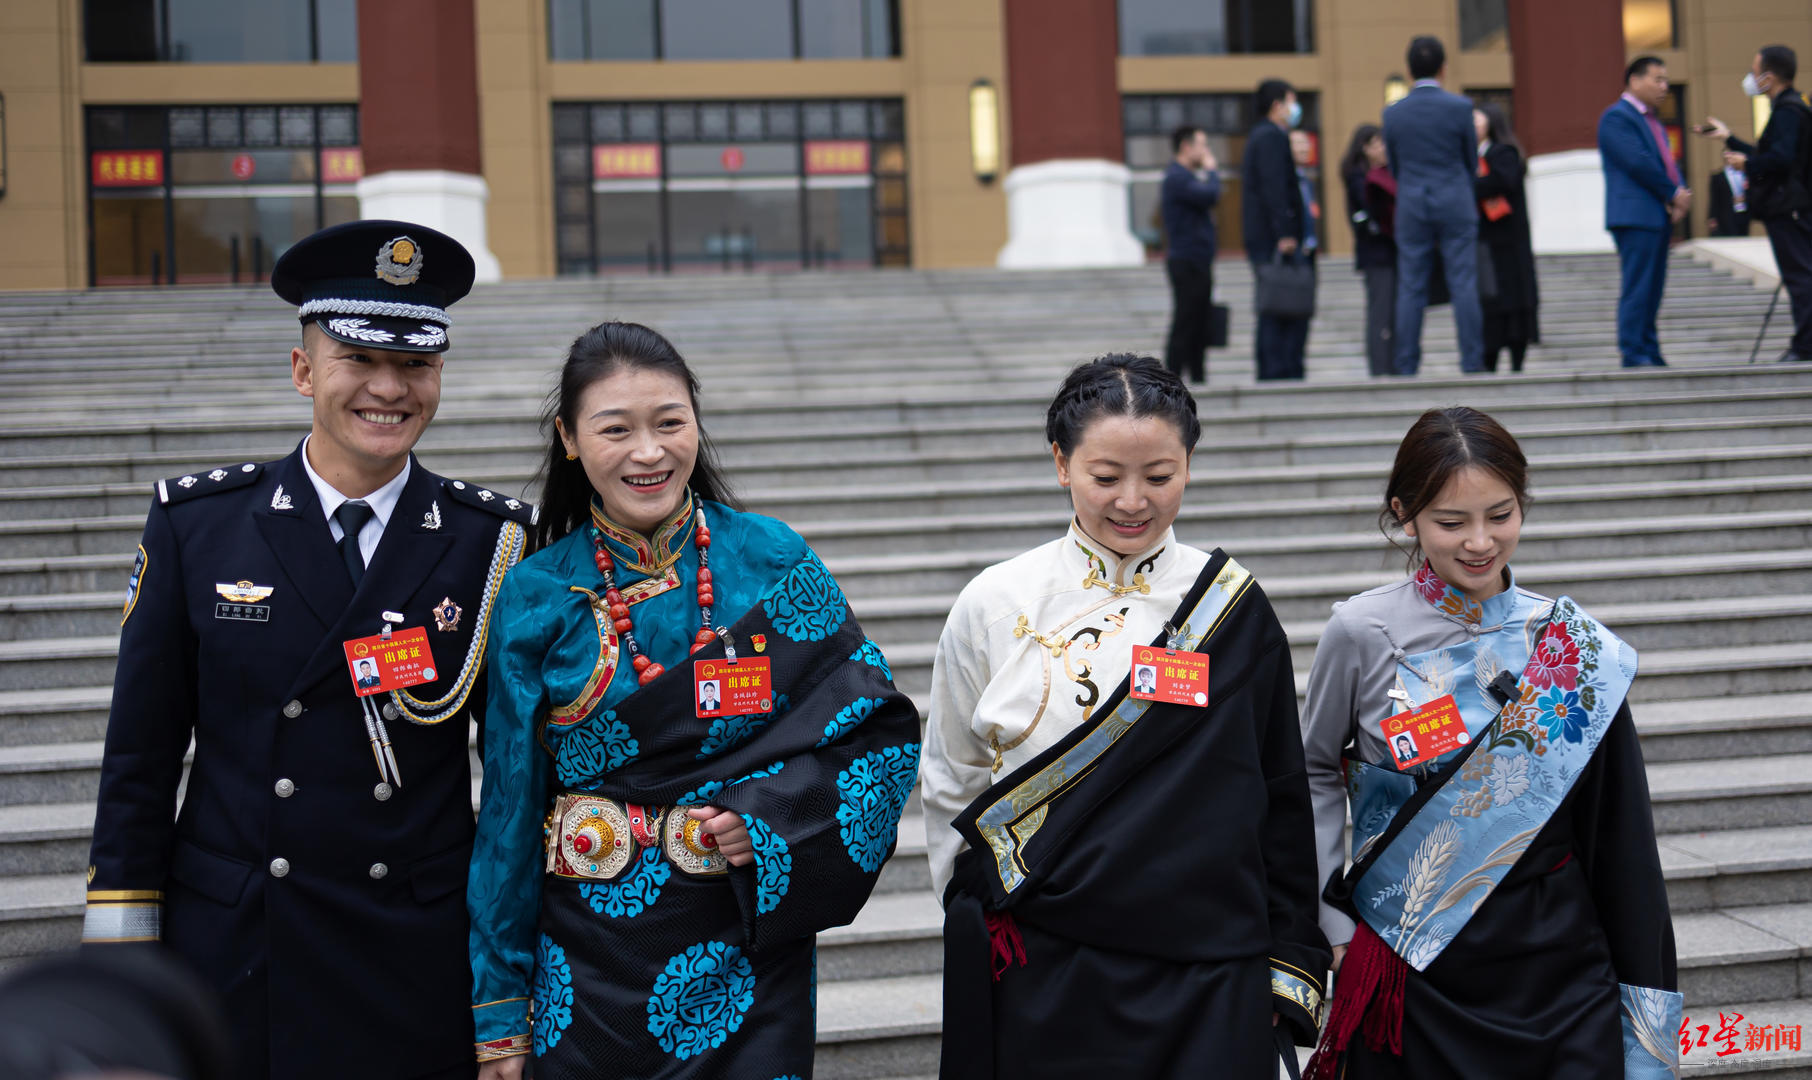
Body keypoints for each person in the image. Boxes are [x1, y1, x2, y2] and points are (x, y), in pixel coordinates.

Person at [83, 220, 537, 1080]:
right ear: (303, 372)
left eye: (415, 365)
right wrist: (120, 968)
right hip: (244, 941)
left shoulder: (491, 542)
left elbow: (517, 775)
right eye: (359, 362)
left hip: (412, 946)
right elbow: (140, 757)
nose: (388, 390)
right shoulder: (201, 526)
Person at [467, 321, 918, 1078]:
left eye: (670, 422)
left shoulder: (773, 558)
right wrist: (500, 1010)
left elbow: (875, 739)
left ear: (697, 424)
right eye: (616, 429)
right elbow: (511, 809)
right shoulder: (535, 593)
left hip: (746, 949)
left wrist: (773, 819)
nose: (649, 452)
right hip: (585, 968)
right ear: (570, 440)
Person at [925, 355, 1330, 1080]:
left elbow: (1279, 792)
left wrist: (1287, 959)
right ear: (1060, 462)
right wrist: (977, 911)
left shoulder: (1233, 609)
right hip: (1046, 963)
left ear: (1189, 464)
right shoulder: (995, 601)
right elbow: (952, 776)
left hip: (1209, 969)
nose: (1133, 501)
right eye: (1105, 477)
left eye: (1160, 476)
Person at [1299, 407, 1679, 1079]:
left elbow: (1622, 839)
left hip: (1557, 959)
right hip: (1410, 957)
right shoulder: (1360, 631)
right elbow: (1314, 772)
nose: (1479, 541)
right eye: (1451, 522)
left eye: (1500, 515)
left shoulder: (1571, 649)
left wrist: (1645, 1012)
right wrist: (1333, 926)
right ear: (1405, 514)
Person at [1700, 45, 1812, 362]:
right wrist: (1730, 139)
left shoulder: (1788, 110)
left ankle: (1805, 347)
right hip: (1789, 207)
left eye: (1754, 71)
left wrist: (1746, 165)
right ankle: (1804, 344)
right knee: (1800, 275)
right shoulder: (1790, 107)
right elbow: (1771, 154)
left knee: (1800, 277)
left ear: (1769, 77)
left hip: (1788, 208)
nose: (1751, 78)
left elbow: (1780, 159)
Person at [1384, 35, 1486, 375]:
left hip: (1412, 202)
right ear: (1444, 68)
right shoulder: (1460, 107)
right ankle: (1472, 362)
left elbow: (1395, 166)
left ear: (1409, 71)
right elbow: (1470, 160)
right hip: (1455, 198)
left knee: (1411, 286)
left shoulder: (1393, 113)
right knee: (1463, 283)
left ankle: (1406, 365)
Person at [1600, 55, 1690, 368]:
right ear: (1634, 80)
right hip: (1634, 215)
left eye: (1665, 80)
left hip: (1656, 214)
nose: (1664, 86)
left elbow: (1667, 161)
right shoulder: (1616, 117)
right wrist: (1673, 192)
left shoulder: (1652, 120)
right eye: (1658, 79)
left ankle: (1649, 349)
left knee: (1653, 288)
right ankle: (1633, 351)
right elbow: (1637, 162)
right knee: (1638, 285)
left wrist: (1680, 193)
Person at [1243, 79, 1312, 381]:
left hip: (1266, 236)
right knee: (1276, 306)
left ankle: (1280, 368)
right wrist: (1284, 231)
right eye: (1290, 102)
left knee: (1277, 303)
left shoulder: (1262, 136)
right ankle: (1277, 370)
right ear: (1276, 105)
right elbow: (1275, 188)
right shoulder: (1270, 137)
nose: (1293, 109)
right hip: (1273, 240)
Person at [1474, 104, 1540, 373]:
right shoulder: (1471, 157)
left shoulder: (1503, 153)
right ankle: (1488, 360)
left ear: (1491, 122)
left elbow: (1504, 181)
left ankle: (1515, 360)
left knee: (1512, 304)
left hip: (1509, 245)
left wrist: (1466, 182)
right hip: (1486, 245)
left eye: (1475, 120)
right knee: (1490, 304)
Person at [1160, 124, 1221, 383]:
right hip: (1187, 259)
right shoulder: (1177, 177)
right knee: (1186, 319)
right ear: (1186, 146)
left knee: (1199, 320)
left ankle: (1198, 376)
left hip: (1198, 258)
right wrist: (1212, 170)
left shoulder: (1185, 176)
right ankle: (1172, 380)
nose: (1207, 151)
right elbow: (1210, 195)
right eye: (1203, 145)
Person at [1343, 124, 1399, 376]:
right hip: (1377, 254)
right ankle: (1380, 368)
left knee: (1393, 313)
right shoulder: (1360, 177)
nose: (1383, 149)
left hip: (1390, 251)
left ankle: (1393, 364)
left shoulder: (1385, 172)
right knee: (1379, 313)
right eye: (1377, 144)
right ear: (1364, 148)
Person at [1708, 160, 1752, 237]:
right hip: (1726, 214)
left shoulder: (1745, 174)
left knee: (1743, 236)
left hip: (1743, 211)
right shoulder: (1718, 176)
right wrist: (1712, 217)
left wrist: (1745, 198)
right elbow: (1714, 199)